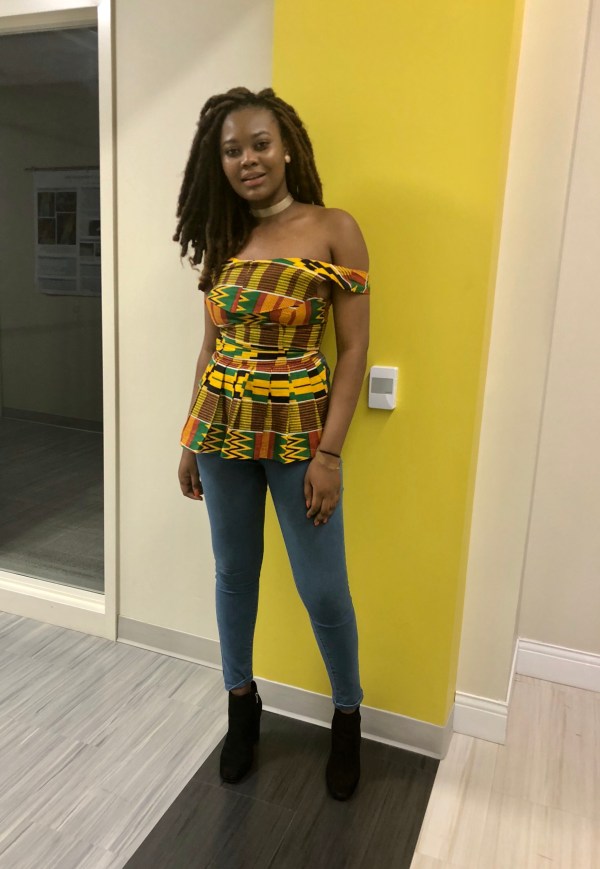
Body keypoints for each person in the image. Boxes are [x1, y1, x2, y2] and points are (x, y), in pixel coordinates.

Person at [174, 87, 370, 801]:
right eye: (232, 150)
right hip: (221, 429)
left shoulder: (334, 228)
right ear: (219, 162)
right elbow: (211, 348)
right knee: (234, 574)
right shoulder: (223, 237)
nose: (248, 159)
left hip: (298, 436)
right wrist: (190, 439)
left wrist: (330, 454)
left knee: (323, 588)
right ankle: (241, 706)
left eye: (260, 144)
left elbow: (353, 350)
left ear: (286, 147)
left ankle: (347, 716)